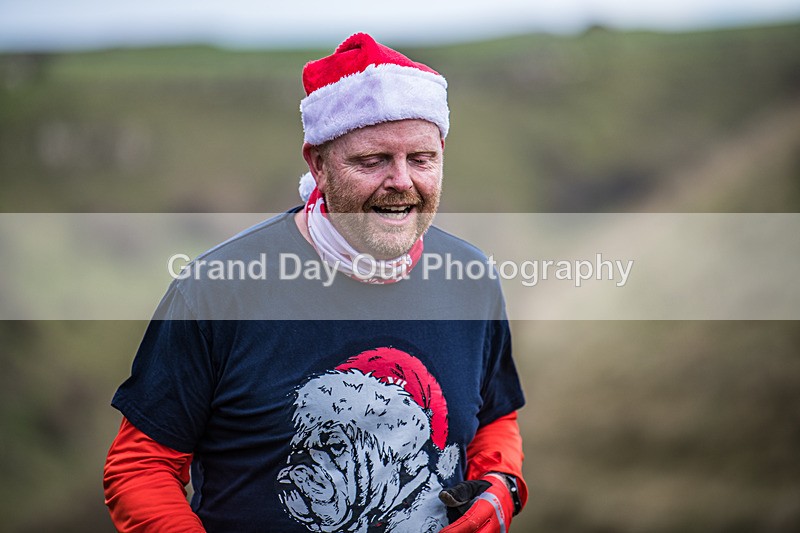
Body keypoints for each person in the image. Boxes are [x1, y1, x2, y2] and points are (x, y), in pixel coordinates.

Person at [104, 33, 528, 533]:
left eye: (421, 159)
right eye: (372, 161)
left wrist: (502, 484)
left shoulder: (471, 280)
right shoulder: (218, 290)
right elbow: (141, 467)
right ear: (318, 164)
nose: (401, 181)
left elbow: (495, 418)